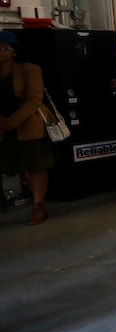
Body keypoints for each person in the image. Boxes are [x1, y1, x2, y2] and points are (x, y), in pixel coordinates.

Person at [0, 30, 54, 225]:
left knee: (36, 166)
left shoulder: (29, 69)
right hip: (4, 127)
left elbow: (34, 100)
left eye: (5, 48)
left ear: (14, 52)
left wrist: (10, 122)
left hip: (28, 126)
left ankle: (38, 206)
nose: (1, 52)